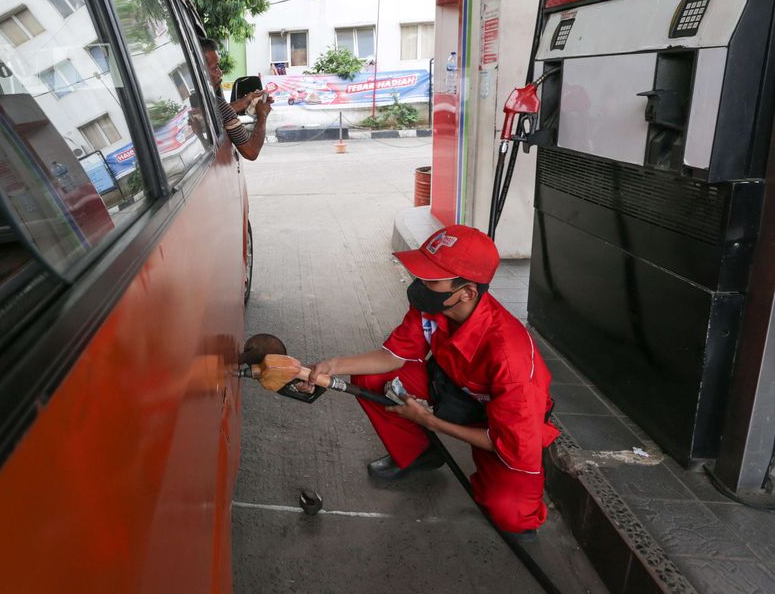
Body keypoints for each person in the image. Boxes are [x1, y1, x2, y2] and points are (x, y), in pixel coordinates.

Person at [300, 225, 557, 535]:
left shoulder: (509, 355)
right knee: (372, 378)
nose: (420, 285)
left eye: (432, 280)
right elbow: (394, 356)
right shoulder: (434, 307)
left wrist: (430, 421)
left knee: (511, 515)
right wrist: (332, 365)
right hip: (453, 392)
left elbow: (511, 443)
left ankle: (492, 479)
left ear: (467, 292)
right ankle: (419, 454)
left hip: (508, 424)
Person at [199, 38, 269, 161]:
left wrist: (244, 101)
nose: (220, 73)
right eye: (215, 68)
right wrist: (262, 115)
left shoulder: (198, 103)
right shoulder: (218, 105)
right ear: (201, 71)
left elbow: (217, 113)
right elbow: (251, 152)